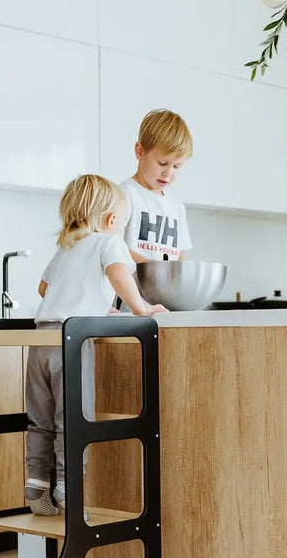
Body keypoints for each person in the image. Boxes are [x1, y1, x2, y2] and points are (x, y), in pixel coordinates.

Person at [26, 174, 166, 516]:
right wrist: (141, 308)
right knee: (74, 418)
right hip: (71, 342)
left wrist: (93, 302)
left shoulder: (67, 246)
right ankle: (67, 486)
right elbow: (119, 275)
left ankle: (36, 481)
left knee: (40, 419)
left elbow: (45, 290)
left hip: (40, 341)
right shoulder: (109, 242)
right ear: (112, 220)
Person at [120, 109, 194, 263]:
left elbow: (179, 255)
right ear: (140, 152)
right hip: (130, 286)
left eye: (177, 166)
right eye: (163, 163)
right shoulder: (124, 195)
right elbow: (112, 246)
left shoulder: (177, 207)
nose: (168, 173)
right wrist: (153, 267)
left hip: (163, 287)